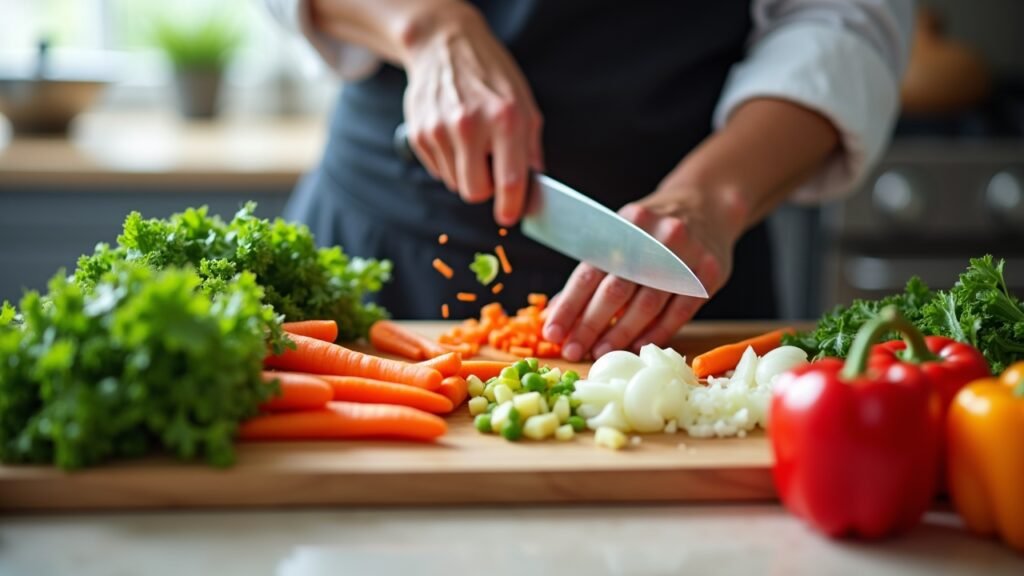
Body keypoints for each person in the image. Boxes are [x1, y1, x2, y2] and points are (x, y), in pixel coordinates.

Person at [264, 0, 913, 361]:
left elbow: (842, 19)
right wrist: (428, 26)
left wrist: (716, 195)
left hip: (683, 273)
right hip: (378, 242)